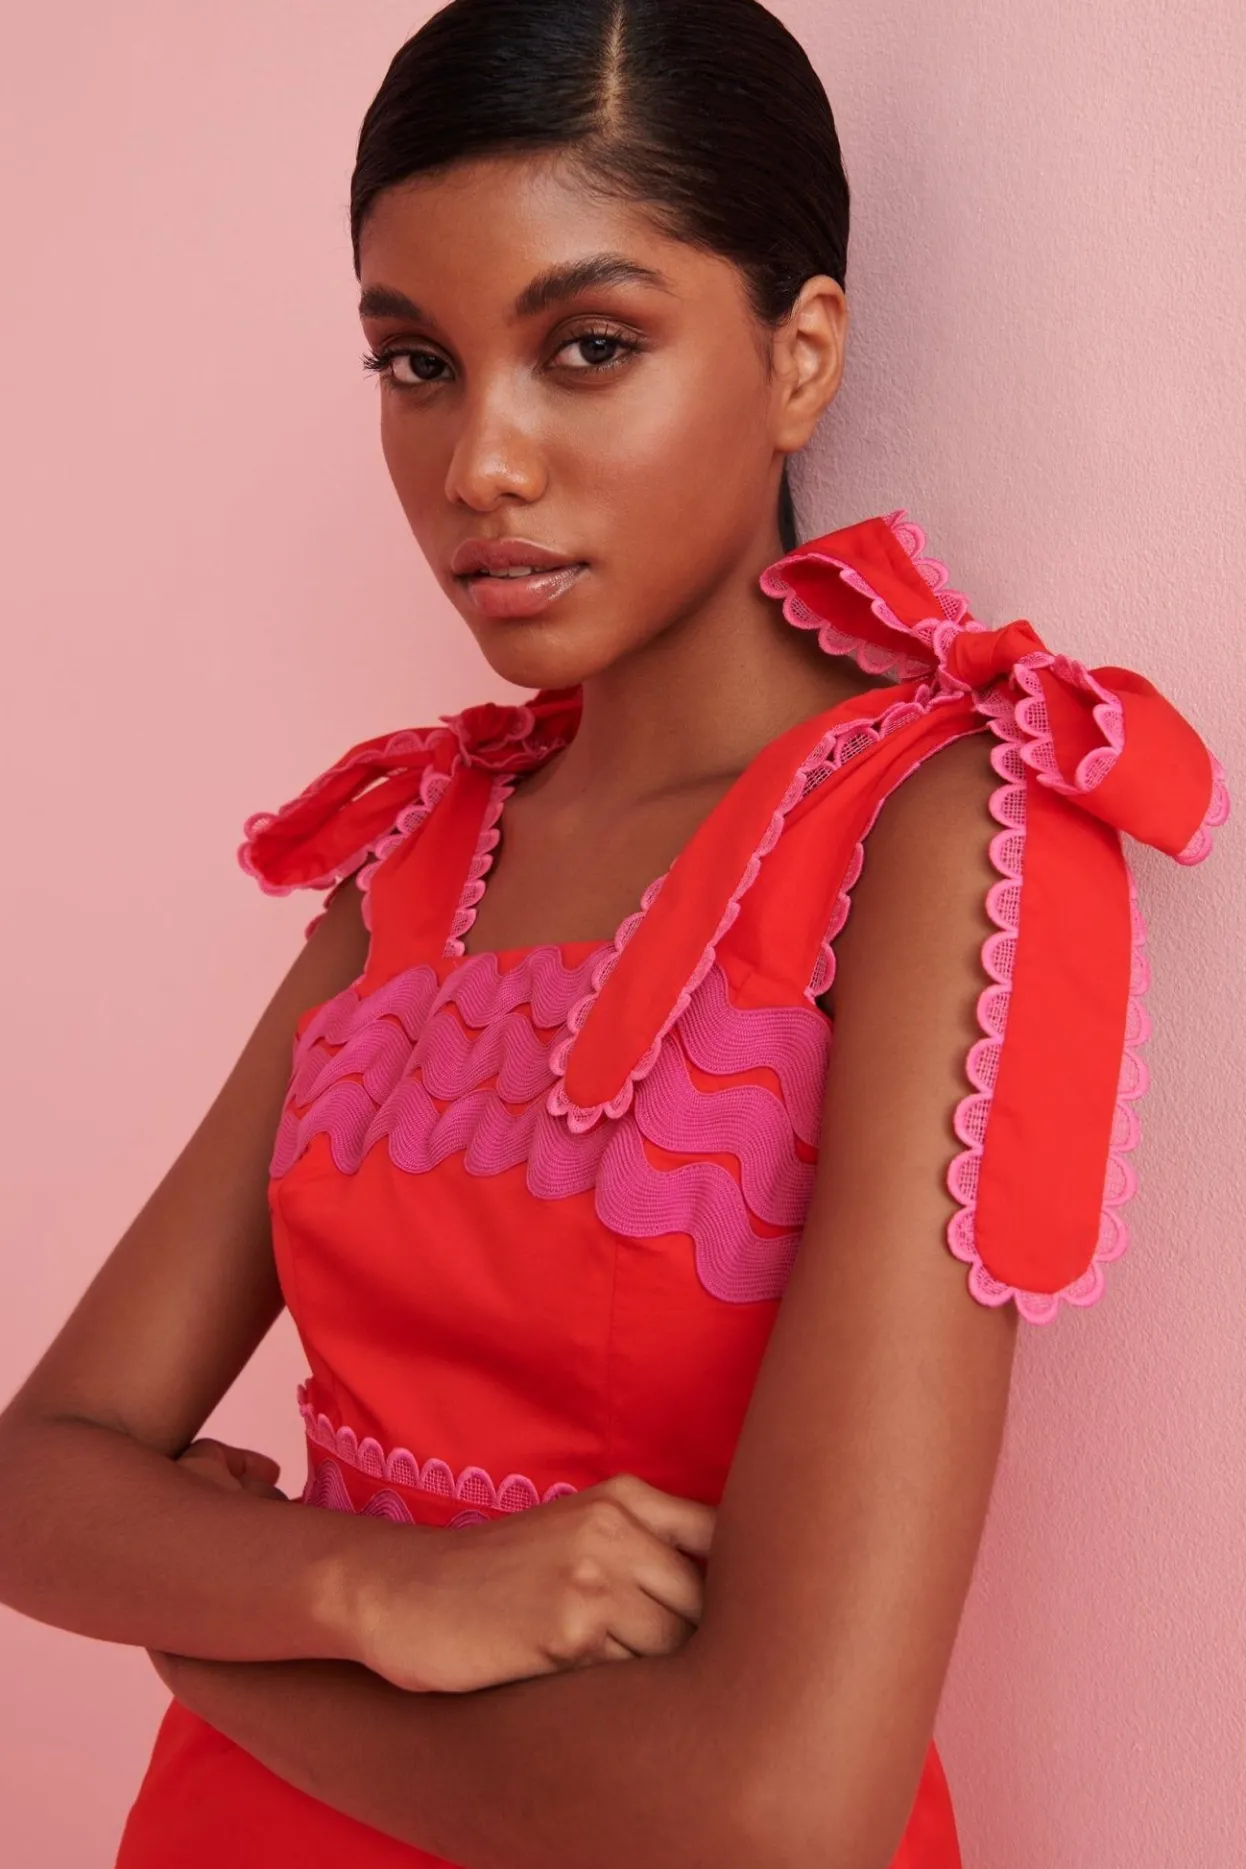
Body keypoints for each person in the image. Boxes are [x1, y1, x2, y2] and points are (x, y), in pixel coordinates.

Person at [0, 2, 1228, 1865]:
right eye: (416, 364)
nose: (478, 463)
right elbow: (38, 1481)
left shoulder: (941, 829)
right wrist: (375, 1592)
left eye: (587, 347)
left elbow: (778, 1812)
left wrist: (213, 1632)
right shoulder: (418, 845)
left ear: (798, 356)